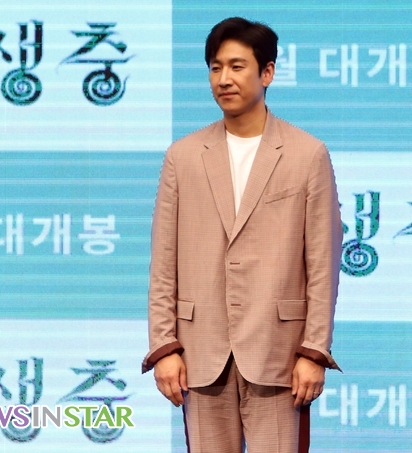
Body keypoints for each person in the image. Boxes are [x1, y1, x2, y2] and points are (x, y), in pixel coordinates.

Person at [142, 16, 342, 453]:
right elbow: (164, 261)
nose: (223, 79)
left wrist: (313, 351)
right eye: (215, 68)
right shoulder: (183, 156)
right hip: (200, 354)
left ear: (267, 73)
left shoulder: (307, 154)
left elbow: (323, 263)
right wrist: (164, 347)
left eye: (236, 66)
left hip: (280, 355)